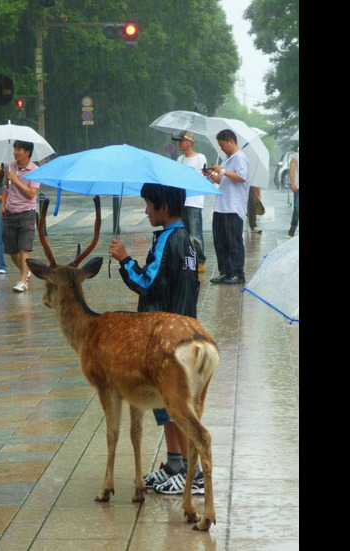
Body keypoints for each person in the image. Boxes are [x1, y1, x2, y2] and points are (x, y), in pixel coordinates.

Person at [108, 182, 204, 496]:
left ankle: (193, 471)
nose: (147, 211)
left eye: (149, 205)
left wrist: (124, 260)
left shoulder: (167, 239)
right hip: (182, 327)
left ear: (163, 208)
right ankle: (175, 464)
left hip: (167, 335)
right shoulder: (186, 238)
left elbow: (148, 283)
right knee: (166, 404)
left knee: (175, 406)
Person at [204, 129, 251, 284]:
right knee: (220, 241)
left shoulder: (240, 158)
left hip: (233, 207)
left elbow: (241, 177)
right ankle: (224, 271)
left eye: (223, 145)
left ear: (231, 141)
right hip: (221, 206)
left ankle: (238, 273)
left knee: (233, 242)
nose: (222, 148)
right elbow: (223, 181)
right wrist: (211, 175)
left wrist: (222, 170)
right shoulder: (227, 158)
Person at [2, 140, 40, 292]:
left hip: (26, 213)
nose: (16, 152)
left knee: (24, 249)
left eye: (19, 149)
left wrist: (16, 180)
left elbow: (31, 194)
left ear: (27, 152)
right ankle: (27, 270)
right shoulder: (9, 167)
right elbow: (6, 186)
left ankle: (23, 281)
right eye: (15, 149)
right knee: (12, 251)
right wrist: (2, 204)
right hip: (10, 212)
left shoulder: (35, 171)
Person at [173, 131, 208, 273]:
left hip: (194, 202)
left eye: (182, 140)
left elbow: (202, 178)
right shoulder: (180, 159)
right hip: (182, 201)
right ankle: (187, 260)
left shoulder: (200, 158)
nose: (179, 143)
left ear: (190, 142)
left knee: (195, 234)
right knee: (183, 234)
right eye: (178, 141)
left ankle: (200, 259)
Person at [288, 148, 299, 237]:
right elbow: (291, 171)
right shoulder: (295, 157)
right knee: (297, 208)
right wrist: (293, 183)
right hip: (298, 187)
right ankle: (293, 226)